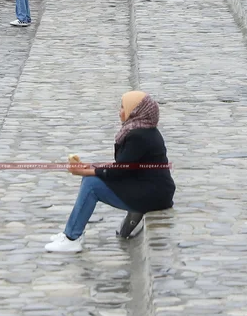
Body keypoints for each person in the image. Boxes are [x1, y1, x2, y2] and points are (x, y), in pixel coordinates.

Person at [44, 91, 175, 253]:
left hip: (153, 195)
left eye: (123, 107)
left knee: (91, 184)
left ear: (135, 111)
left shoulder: (139, 136)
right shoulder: (143, 130)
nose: (120, 111)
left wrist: (86, 172)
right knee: (90, 179)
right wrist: (90, 167)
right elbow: (126, 164)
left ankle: (72, 238)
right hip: (149, 189)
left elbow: (120, 170)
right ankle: (71, 232)